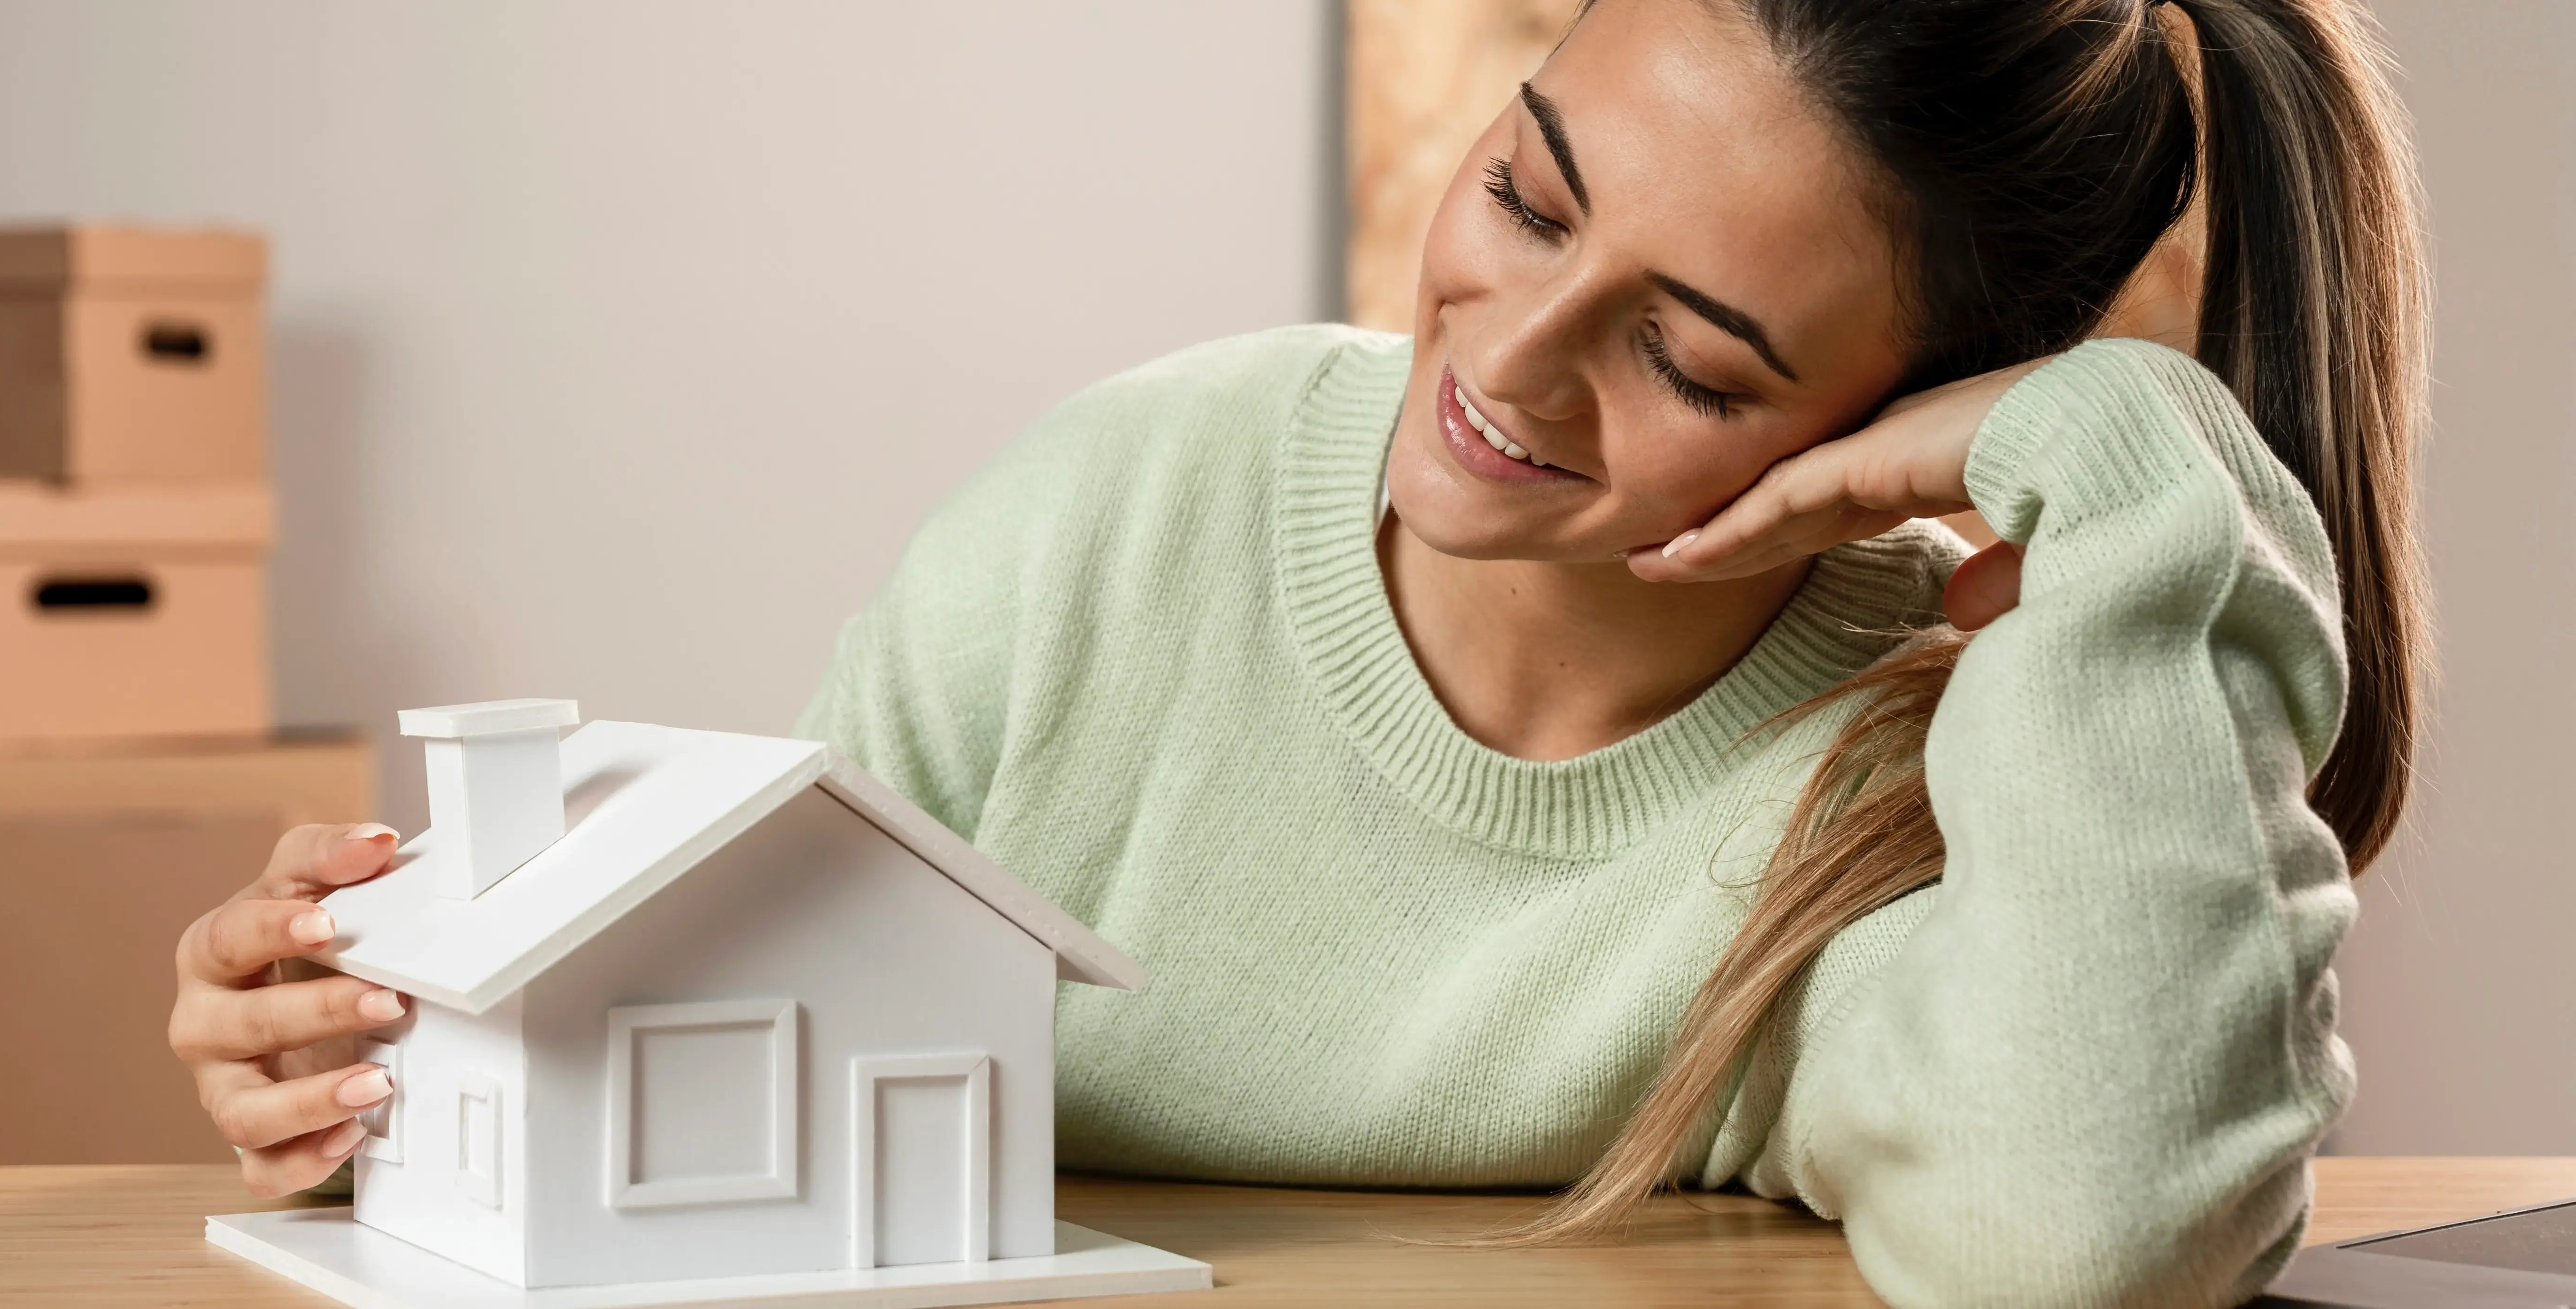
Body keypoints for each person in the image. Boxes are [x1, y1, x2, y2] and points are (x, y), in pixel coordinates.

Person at [166, 0, 2427, 1302]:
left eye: (1697, 359)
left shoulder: (1936, 765)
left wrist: (2121, 455)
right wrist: (372, 1082)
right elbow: (736, 1044)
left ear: (1909, 406)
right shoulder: (1126, 505)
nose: (1509, 368)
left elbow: (2096, 1230)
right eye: (1531, 194)